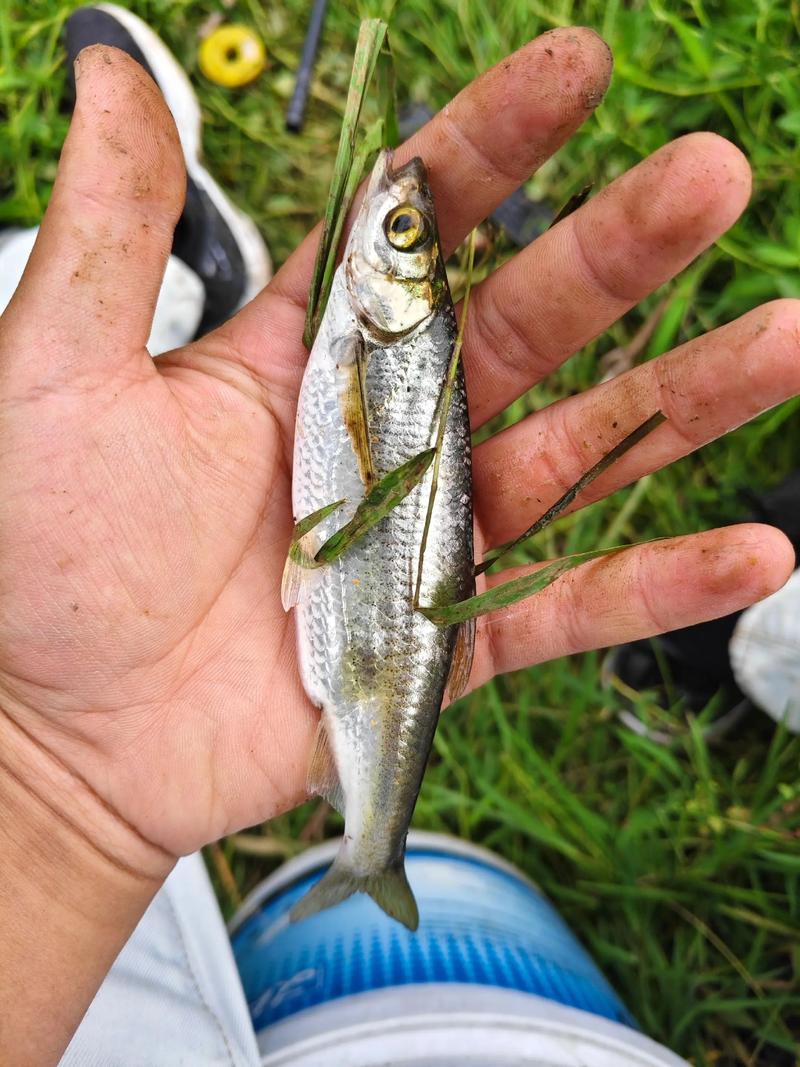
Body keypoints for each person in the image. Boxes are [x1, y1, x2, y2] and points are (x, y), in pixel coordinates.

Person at [1, 7, 799, 1066]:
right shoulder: (377, 328)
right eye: (406, 232)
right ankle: (365, 852)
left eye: (401, 232)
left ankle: (371, 843)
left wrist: (45, 785)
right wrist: (42, 775)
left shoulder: (384, 329)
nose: (395, 213)